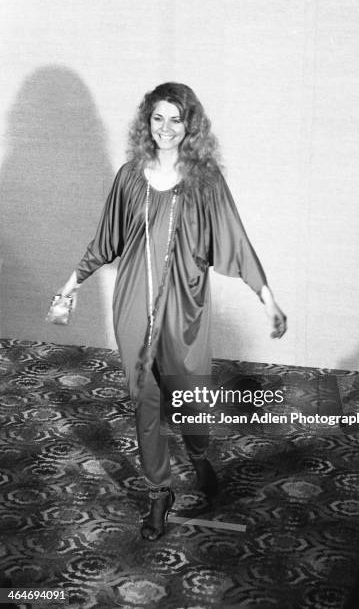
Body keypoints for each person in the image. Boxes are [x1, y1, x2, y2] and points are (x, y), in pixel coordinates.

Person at [58, 82, 287, 541]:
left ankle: (199, 453)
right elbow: (107, 240)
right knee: (145, 399)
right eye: (157, 118)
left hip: (183, 307)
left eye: (175, 119)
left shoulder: (204, 180)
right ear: (147, 122)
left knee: (187, 396)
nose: (165, 128)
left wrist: (268, 299)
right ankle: (159, 492)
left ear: (190, 125)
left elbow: (235, 241)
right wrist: (70, 285)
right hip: (132, 306)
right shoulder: (128, 176)